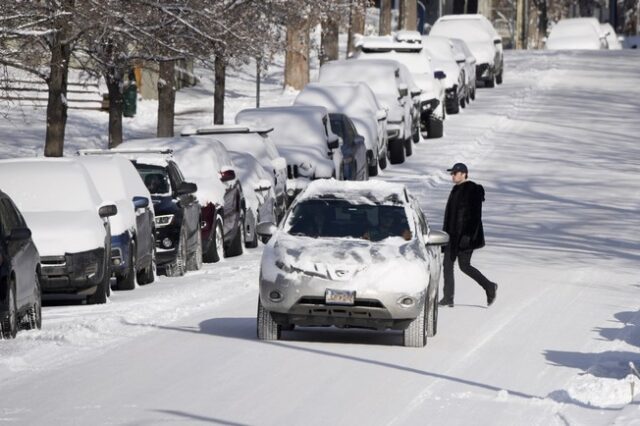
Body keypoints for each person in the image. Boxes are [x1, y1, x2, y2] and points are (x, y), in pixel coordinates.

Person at [439, 163, 497, 307]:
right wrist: (445, 237)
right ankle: (448, 298)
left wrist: (467, 236)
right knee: (447, 265)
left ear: (464, 174)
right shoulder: (455, 189)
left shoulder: (472, 189)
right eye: (451, 173)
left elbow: (475, 216)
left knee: (464, 266)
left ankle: (489, 286)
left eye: (455, 173)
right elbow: (449, 216)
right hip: (452, 237)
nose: (452, 176)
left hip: (465, 237)